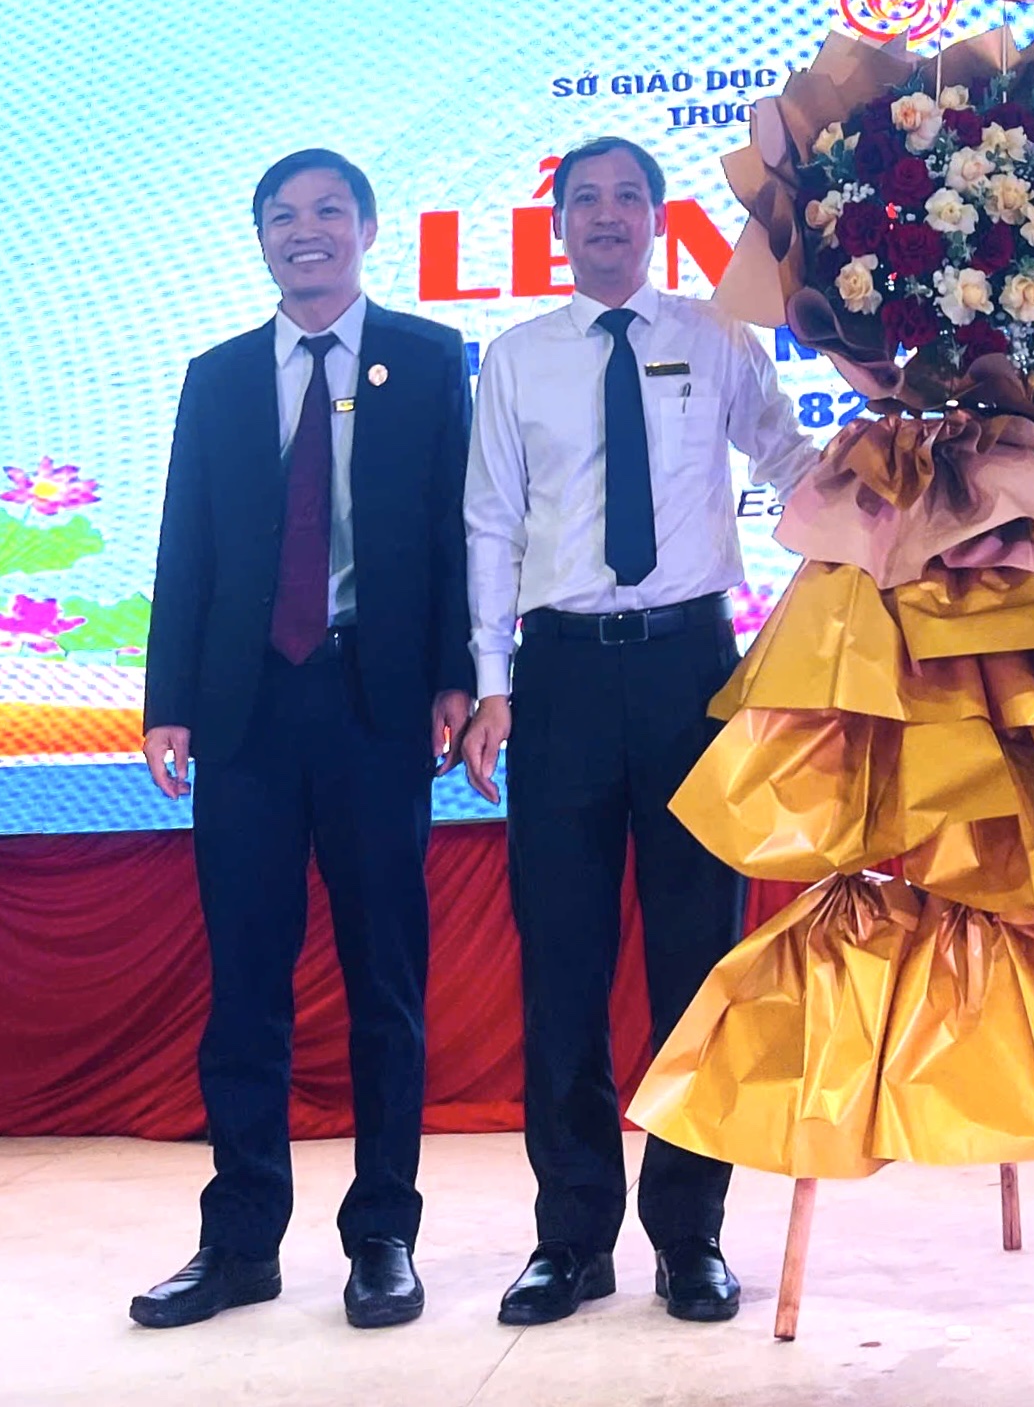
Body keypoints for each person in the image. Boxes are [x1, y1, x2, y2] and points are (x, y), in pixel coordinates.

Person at [461, 135, 820, 1326]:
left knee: (695, 963)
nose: (606, 215)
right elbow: (490, 523)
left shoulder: (713, 336)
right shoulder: (517, 358)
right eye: (585, 200)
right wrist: (492, 682)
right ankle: (569, 1238)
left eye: (627, 197)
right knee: (560, 967)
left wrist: (900, 485)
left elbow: (787, 457)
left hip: (688, 672)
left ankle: (689, 1233)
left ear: (658, 220)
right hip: (560, 676)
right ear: (558, 224)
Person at [133, 148, 475, 1331]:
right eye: (282, 216)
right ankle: (238, 1243)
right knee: (245, 988)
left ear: (368, 228)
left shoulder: (428, 359)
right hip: (243, 717)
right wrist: (167, 700)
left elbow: (455, 530)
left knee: (386, 984)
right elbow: (186, 540)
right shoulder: (219, 376)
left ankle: (382, 1236)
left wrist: (455, 674)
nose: (305, 230)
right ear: (262, 239)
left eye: (329, 210)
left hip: (374, 705)